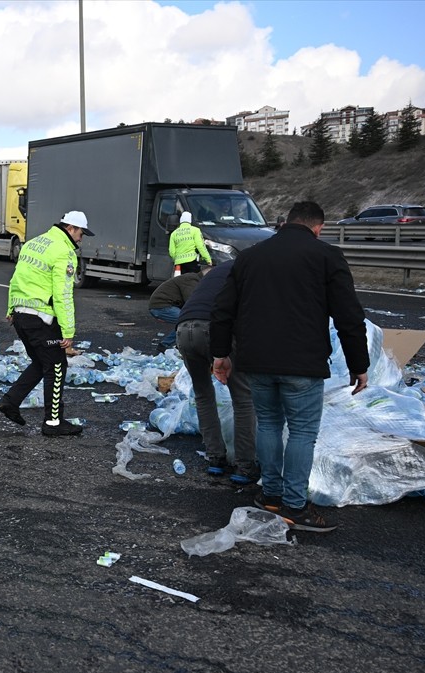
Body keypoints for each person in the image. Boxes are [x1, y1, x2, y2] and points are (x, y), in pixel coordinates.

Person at [210, 200, 369, 533]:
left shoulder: (250, 257)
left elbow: (222, 309)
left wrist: (220, 354)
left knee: (267, 423)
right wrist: (358, 363)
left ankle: (271, 495)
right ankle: (294, 506)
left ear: (285, 223)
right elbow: (349, 316)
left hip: (256, 360)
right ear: (318, 228)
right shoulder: (327, 256)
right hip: (303, 362)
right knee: (301, 432)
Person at [0, 210, 92, 437]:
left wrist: (11, 309)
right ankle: (53, 422)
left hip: (22, 316)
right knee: (57, 366)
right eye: (81, 233)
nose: (81, 238)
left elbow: (16, 278)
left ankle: (10, 401)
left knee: (41, 362)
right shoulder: (64, 252)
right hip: (41, 318)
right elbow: (63, 294)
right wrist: (68, 331)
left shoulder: (33, 243)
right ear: (70, 228)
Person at [175, 262, 257, 483]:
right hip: (213, 328)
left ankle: (215, 459)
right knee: (243, 398)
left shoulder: (219, 271)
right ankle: (245, 465)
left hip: (184, 328)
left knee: (203, 394)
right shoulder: (252, 271)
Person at [147, 262, 203, 352]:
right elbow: (191, 301)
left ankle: (176, 345)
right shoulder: (191, 281)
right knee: (186, 322)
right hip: (161, 306)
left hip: (164, 305)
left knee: (185, 322)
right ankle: (166, 345)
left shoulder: (193, 279)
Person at [168, 211, 211, 277]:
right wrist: (208, 259)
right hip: (192, 261)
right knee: (195, 281)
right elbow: (200, 246)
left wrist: (177, 260)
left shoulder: (174, 233)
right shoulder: (195, 230)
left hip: (180, 264)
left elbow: (172, 252)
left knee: (182, 282)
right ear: (190, 220)